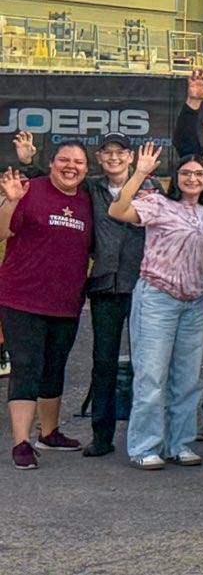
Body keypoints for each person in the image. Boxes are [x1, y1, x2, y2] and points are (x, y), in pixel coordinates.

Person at [106, 145, 203, 469]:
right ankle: (144, 446)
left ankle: (180, 443)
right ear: (176, 178)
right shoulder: (157, 203)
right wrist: (139, 173)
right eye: (186, 173)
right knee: (151, 375)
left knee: (188, 378)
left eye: (199, 174)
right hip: (157, 297)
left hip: (194, 301)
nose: (192, 178)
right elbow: (117, 211)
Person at [0, 142, 94, 468]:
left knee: (55, 367)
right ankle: (22, 443)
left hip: (65, 302)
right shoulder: (29, 190)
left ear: (86, 168)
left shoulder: (87, 200)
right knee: (27, 367)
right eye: (64, 160)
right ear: (51, 163)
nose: (71, 167)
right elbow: (1, 232)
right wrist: (10, 202)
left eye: (78, 162)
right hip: (21, 298)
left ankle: (50, 432)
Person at [78, 134, 150, 458]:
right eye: (107, 153)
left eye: (119, 152)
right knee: (103, 362)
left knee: (145, 362)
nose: (114, 158)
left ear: (130, 157)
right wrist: (28, 162)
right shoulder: (90, 188)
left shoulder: (151, 188)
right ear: (99, 157)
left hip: (142, 285)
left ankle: (143, 435)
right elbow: (51, 185)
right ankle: (101, 436)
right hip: (106, 286)